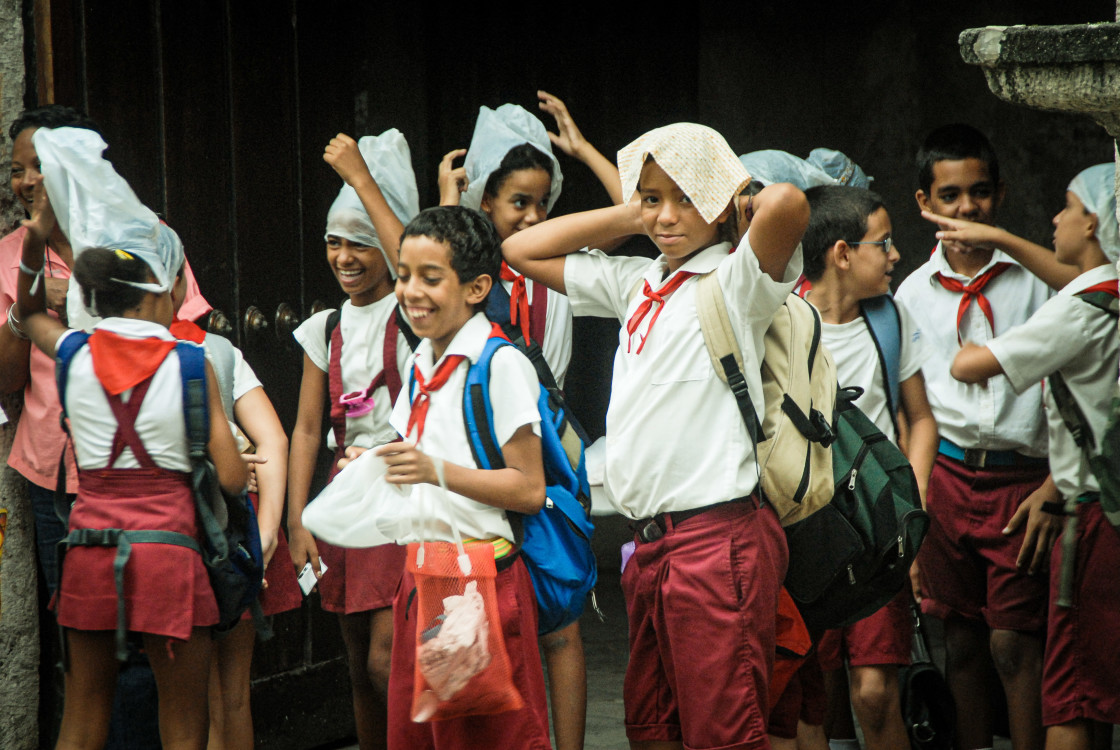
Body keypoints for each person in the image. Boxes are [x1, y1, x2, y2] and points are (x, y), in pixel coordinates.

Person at [505, 122, 809, 750]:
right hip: (649, 548)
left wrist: (733, 196)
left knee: (724, 735)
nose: (668, 217)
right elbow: (521, 249)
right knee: (652, 729)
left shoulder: (737, 281)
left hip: (716, 542)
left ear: (721, 202)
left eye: (687, 199)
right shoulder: (638, 282)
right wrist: (635, 212)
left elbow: (788, 203)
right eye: (653, 198)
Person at [16, 125, 246, 750]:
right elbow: (231, 479)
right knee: (183, 728)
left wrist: (36, 236)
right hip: (171, 559)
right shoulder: (192, 363)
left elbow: (27, 314)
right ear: (164, 289)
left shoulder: (73, 353)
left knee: (81, 721)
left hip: (90, 553)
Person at [439, 93, 619, 750]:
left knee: (561, 622)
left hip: (546, 460)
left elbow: (634, 217)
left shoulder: (553, 269)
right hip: (479, 467)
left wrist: (584, 150)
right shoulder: (460, 277)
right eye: (519, 202)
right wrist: (449, 205)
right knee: (473, 619)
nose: (535, 216)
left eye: (544, 203)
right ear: (485, 200)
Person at [895, 123, 1058, 750]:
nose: (967, 207)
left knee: (1015, 642)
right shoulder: (911, 294)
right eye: (950, 194)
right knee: (961, 640)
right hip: (949, 480)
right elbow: (912, 408)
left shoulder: (1037, 282)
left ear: (1001, 194)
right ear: (924, 202)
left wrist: (1055, 483)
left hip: (1023, 483)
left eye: (980, 192)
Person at [948, 162, 1120, 750]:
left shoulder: (1079, 309)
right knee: (1100, 688)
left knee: (1071, 692)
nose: (1055, 218)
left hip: (1092, 516)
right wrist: (1000, 239)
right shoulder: (1110, 293)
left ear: (1092, 223)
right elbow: (1078, 280)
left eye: (1067, 206)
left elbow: (968, 367)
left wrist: (976, 340)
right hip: (1110, 504)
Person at [373, 205, 549, 749]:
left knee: (490, 738)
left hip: (481, 583)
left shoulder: (499, 364)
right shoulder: (420, 364)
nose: (411, 291)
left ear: (476, 288)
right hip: (423, 577)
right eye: (404, 275)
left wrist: (434, 471)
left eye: (431, 278)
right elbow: (416, 460)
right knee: (426, 737)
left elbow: (529, 489)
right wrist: (375, 462)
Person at [286, 128, 419, 750]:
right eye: (334, 242)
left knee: (387, 661)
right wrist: (298, 519)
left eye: (361, 243)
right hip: (345, 502)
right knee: (357, 662)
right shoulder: (326, 327)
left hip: (401, 499)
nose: (344, 257)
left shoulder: (412, 312)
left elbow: (410, 263)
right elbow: (307, 427)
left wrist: (361, 179)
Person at [797, 185, 938, 750]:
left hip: (875, 529)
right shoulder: (782, 319)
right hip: (806, 531)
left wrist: (910, 511)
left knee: (875, 693)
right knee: (813, 697)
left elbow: (920, 420)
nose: (895, 254)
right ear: (842, 253)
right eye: (883, 243)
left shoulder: (889, 320)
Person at [166, 271, 298, 750]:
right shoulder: (218, 351)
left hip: (177, 536)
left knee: (186, 701)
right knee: (232, 694)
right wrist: (266, 532)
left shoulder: (109, 353)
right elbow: (274, 439)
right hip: (236, 533)